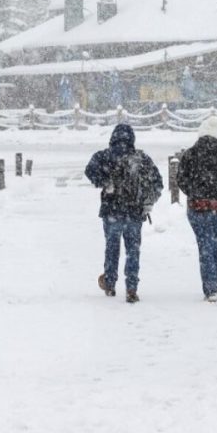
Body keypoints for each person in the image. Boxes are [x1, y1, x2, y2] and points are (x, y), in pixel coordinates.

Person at [84, 124, 163, 303]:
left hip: (111, 211)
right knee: (133, 250)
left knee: (112, 248)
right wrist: (148, 202)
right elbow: (157, 182)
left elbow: (89, 170)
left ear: (113, 138)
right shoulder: (141, 158)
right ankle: (132, 287)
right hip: (134, 212)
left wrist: (105, 183)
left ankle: (110, 283)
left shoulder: (104, 156)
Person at [177, 115, 217, 302]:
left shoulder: (190, 153)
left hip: (198, 208)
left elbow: (180, 179)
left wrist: (194, 192)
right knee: (216, 245)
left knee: (204, 245)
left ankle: (210, 286)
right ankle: (214, 282)